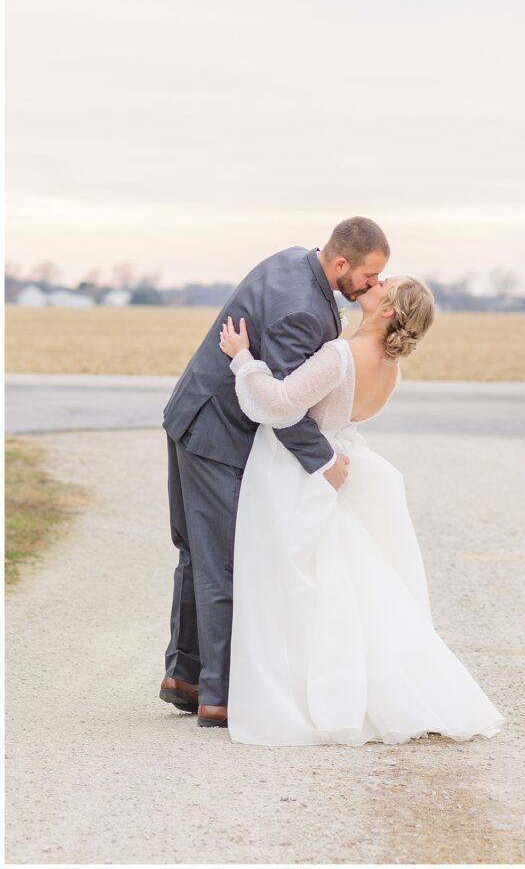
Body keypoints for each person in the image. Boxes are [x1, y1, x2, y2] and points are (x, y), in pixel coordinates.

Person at [219, 275, 506, 745]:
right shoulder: (391, 370)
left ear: (389, 309)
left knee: (286, 585)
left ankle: (294, 698)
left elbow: (277, 406)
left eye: (383, 285)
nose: (374, 283)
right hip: (338, 464)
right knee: (334, 589)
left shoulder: (341, 356)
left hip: (293, 475)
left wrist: (243, 359)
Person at [159, 216, 390, 727]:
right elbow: (282, 408)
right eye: (370, 276)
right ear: (341, 263)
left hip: (191, 415)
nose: (373, 285)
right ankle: (218, 697)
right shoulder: (305, 311)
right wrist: (323, 461)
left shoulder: (292, 260)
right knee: (222, 560)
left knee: (197, 553)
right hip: (217, 434)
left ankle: (185, 674)